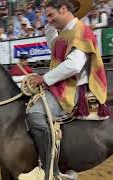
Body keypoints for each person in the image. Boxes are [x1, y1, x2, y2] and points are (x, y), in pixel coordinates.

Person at [20, 0, 108, 180]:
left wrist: (44, 78)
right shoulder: (67, 32)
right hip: (65, 85)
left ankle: (50, 170)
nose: (49, 19)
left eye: (51, 15)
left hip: (75, 88)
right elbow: (57, 49)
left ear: (63, 9)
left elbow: (73, 65)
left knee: (34, 114)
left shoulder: (82, 31)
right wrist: (49, 27)